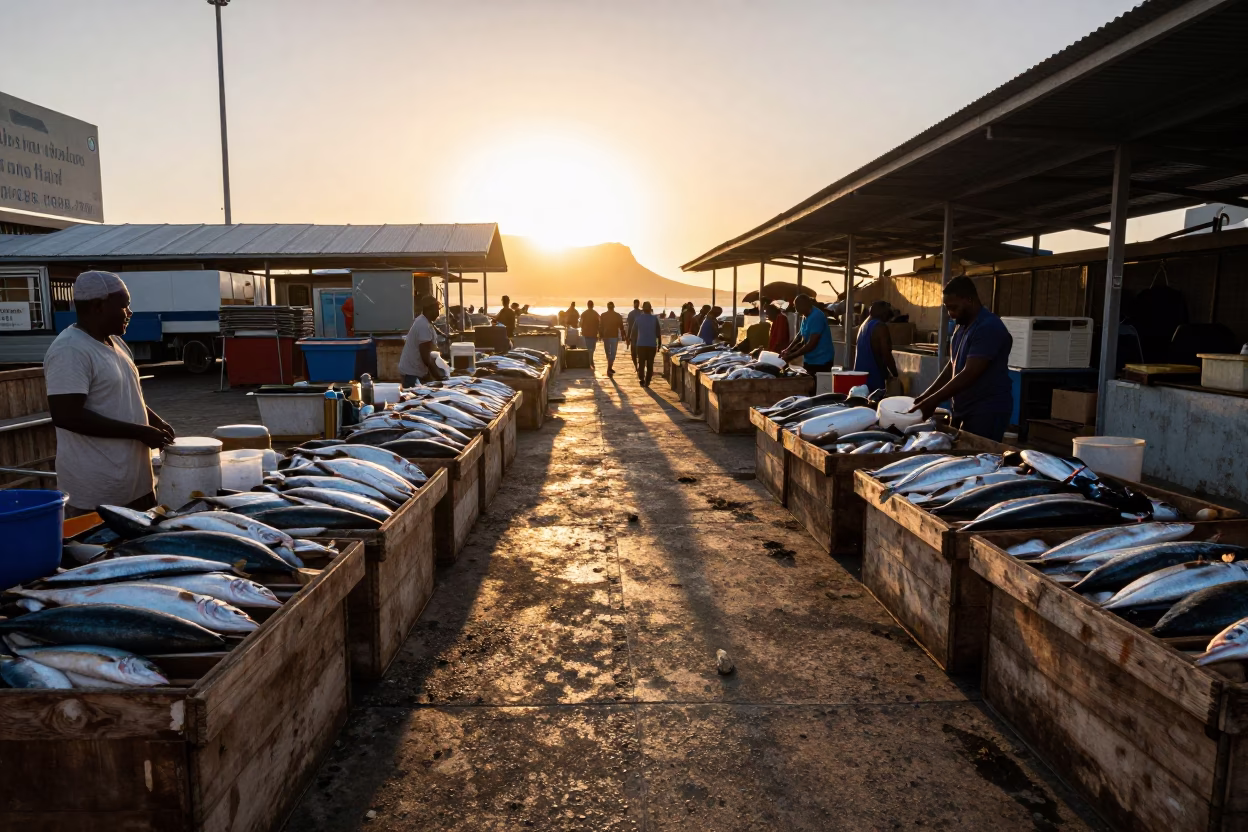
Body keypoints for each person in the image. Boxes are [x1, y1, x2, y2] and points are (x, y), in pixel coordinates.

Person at [45, 271, 176, 517]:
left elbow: (124, 394)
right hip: (97, 492)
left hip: (135, 484)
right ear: (98, 306)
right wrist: (140, 431)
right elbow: (67, 415)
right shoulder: (70, 350)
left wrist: (155, 421)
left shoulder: (115, 342)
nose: (130, 313)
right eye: (124, 306)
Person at [910, 276, 1014, 441]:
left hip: (986, 410)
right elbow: (953, 365)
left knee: (978, 459)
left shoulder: (988, 328)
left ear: (969, 300)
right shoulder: (961, 327)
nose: (951, 314)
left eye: (954, 307)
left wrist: (933, 401)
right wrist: (926, 396)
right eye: (947, 308)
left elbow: (969, 373)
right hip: (963, 408)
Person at [398, 295, 448, 386]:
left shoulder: (425, 321)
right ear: (429, 310)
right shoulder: (423, 325)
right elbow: (425, 357)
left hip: (415, 371)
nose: (438, 313)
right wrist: (437, 376)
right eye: (437, 310)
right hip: (411, 374)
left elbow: (433, 329)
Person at [782, 294, 836, 374]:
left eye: (796, 306)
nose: (795, 309)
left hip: (822, 361)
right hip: (810, 360)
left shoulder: (816, 317)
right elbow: (800, 336)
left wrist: (791, 356)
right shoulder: (805, 316)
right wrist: (788, 350)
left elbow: (811, 344)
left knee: (818, 385)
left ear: (804, 305)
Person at [854, 301, 900, 394]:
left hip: (859, 379)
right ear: (883, 313)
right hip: (873, 381)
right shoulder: (880, 327)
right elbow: (886, 354)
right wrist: (895, 375)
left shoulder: (863, 326)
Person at [631, 301, 661, 387]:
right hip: (652, 345)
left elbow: (633, 332)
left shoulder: (638, 318)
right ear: (650, 309)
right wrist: (659, 344)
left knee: (641, 363)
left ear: (643, 309)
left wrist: (633, 343)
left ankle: (642, 379)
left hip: (641, 344)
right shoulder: (654, 319)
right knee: (650, 364)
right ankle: (647, 381)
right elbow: (658, 333)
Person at [599, 301, 623, 377]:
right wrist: (624, 336)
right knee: (612, 353)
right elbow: (621, 327)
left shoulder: (603, 315)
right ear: (613, 307)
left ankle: (609, 368)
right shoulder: (617, 315)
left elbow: (600, 327)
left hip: (606, 336)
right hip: (613, 336)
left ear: (607, 307)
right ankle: (609, 368)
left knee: (608, 353)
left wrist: (600, 335)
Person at [580, 300, 601, 367]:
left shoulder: (584, 313)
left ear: (587, 305)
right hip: (593, 333)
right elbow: (599, 323)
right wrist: (599, 332)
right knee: (592, 348)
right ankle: (590, 361)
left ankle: (589, 361)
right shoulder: (595, 314)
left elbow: (581, 324)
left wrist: (582, 330)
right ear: (593, 305)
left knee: (587, 348)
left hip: (586, 333)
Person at [625, 299, 642, 369]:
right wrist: (628, 337)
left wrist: (628, 337)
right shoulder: (640, 313)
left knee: (634, 353)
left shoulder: (635, 313)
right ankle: (637, 366)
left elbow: (629, 327)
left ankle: (637, 366)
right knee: (636, 352)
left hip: (636, 336)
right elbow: (629, 326)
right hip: (636, 336)